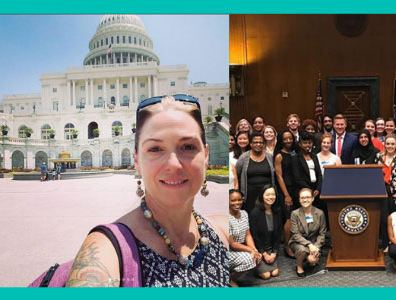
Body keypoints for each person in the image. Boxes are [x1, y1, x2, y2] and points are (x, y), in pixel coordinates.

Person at [66, 95, 229, 287]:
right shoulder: (106, 249)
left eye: (187, 146)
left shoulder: (224, 232)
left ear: (206, 155)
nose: (173, 165)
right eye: (155, 149)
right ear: (137, 161)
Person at [376, 133, 396, 249]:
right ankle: (385, 244)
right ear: (384, 144)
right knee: (383, 219)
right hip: (381, 190)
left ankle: (395, 243)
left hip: (394, 192)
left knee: (394, 218)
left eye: (392, 144)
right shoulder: (379, 156)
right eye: (388, 143)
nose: (390, 146)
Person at [235, 132, 276, 213]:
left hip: (267, 195)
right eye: (255, 142)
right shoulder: (243, 157)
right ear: (250, 144)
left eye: (261, 142)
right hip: (249, 195)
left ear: (264, 144)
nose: (258, 144)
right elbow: (238, 174)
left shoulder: (270, 157)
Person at [289, 188, 327, 277]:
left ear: (313, 198)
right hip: (298, 241)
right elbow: (295, 234)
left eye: (308, 197)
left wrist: (316, 247)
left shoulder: (320, 213)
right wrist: (309, 245)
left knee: (312, 260)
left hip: (314, 242)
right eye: (302, 198)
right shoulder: (294, 214)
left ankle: (310, 261)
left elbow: (322, 233)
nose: (305, 200)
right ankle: (299, 266)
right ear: (299, 199)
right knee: (302, 250)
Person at [273, 130, 299, 258]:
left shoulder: (294, 152)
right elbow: (279, 176)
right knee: (288, 218)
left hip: (295, 189)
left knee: (295, 217)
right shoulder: (279, 155)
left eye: (290, 138)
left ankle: (295, 242)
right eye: (286, 139)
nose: (288, 140)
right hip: (285, 190)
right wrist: (286, 195)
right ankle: (287, 246)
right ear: (281, 140)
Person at [248, 185, 282, 280]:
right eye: (268, 195)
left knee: (275, 273)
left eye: (273, 194)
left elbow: (279, 233)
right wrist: (264, 253)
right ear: (262, 196)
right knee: (266, 275)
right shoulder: (255, 213)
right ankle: (254, 267)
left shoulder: (277, 211)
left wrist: (274, 252)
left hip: (271, 249)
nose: (271, 197)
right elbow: (254, 236)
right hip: (259, 249)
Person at [229, 189, 260, 286]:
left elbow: (248, 235)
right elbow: (232, 244)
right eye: (233, 200)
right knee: (250, 259)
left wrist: (254, 250)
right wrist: (251, 251)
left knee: (257, 256)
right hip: (228, 250)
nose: (237, 203)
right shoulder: (227, 217)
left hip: (241, 247)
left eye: (239, 200)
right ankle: (230, 279)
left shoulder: (244, 213)